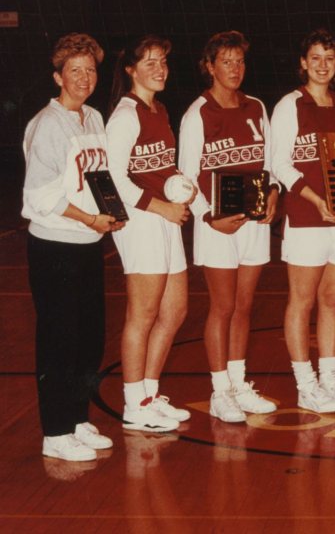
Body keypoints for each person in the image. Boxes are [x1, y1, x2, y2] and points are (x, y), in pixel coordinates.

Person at [23, 33, 124, 461]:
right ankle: (56, 431)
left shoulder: (95, 118)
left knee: (88, 338)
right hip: (56, 247)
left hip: (88, 244)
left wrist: (110, 213)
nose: (84, 78)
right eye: (75, 71)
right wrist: (89, 219)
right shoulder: (47, 124)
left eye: (91, 70)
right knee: (59, 339)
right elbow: (41, 195)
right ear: (58, 76)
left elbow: (98, 181)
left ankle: (79, 419)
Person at [271, 28, 335, 414]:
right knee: (302, 300)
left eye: (329, 59)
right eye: (315, 58)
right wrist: (315, 199)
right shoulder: (289, 106)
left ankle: (330, 378)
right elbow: (279, 163)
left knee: (332, 299)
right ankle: (305, 383)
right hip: (306, 216)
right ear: (303, 62)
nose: (322, 65)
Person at [178, 31, 279, 423]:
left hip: (253, 219)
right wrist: (208, 217)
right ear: (210, 66)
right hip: (217, 224)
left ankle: (239, 384)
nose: (235, 69)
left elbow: (269, 163)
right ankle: (220, 391)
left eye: (239, 61)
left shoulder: (256, 107)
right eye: (226, 62)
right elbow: (186, 177)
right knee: (222, 307)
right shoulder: (197, 114)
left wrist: (273, 193)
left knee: (244, 306)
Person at [107, 34, 192, 432]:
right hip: (141, 221)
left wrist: (180, 186)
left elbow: (158, 168)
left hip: (166, 216)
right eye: (150, 62)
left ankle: (149, 394)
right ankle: (132, 403)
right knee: (142, 315)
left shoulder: (158, 110)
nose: (160, 69)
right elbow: (113, 178)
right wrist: (161, 206)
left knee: (175, 311)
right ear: (131, 70)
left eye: (163, 61)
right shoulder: (125, 115)